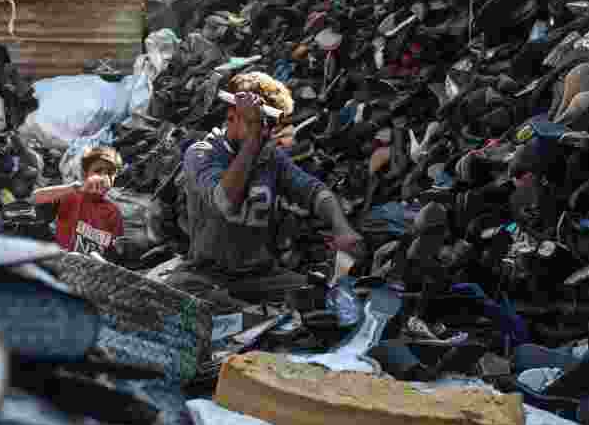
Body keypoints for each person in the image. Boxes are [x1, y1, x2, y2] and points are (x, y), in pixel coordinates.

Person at [162, 72, 364, 303]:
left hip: (262, 276)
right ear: (231, 117)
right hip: (208, 275)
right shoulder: (202, 153)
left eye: (267, 126)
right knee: (184, 294)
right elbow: (225, 203)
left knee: (325, 299)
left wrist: (341, 227)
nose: (265, 133)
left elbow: (314, 191)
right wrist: (253, 139)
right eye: (255, 124)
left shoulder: (270, 158)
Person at [32, 146, 124, 257]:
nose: (104, 177)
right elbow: (35, 198)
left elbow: (115, 250)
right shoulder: (71, 195)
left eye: (110, 173)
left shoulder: (113, 212)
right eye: (98, 171)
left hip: (88, 267)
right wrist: (74, 187)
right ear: (85, 174)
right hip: (61, 260)